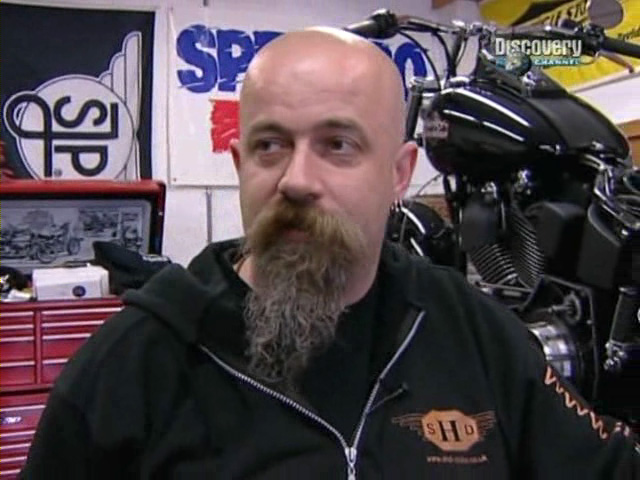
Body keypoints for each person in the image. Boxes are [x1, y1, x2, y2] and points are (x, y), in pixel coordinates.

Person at [21, 27, 639, 479]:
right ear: (239, 164)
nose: (296, 180)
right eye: (269, 146)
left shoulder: (470, 332)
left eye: (338, 145)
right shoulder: (134, 364)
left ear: (400, 173)